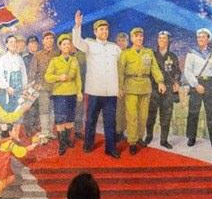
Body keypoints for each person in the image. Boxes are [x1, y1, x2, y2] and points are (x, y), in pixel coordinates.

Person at [72, 11, 122, 159]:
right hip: (94, 90)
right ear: (95, 32)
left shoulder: (114, 48)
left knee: (110, 121)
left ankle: (110, 148)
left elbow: (123, 64)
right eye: (101, 29)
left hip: (111, 91)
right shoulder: (89, 44)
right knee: (91, 119)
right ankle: (88, 144)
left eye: (106, 29)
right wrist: (78, 25)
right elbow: (77, 42)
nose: (104, 32)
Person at [118, 27, 165, 155]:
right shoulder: (126, 53)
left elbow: (154, 68)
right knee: (132, 116)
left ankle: (139, 137)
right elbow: (120, 72)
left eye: (141, 36)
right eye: (136, 36)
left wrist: (160, 82)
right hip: (131, 87)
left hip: (145, 86)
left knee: (143, 116)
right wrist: (120, 87)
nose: (139, 38)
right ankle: (132, 142)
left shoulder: (148, 52)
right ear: (132, 38)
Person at [183, 28, 212, 148]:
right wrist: (196, 84)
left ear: (208, 39)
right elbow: (187, 71)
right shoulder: (191, 53)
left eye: (203, 37)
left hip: (210, 83)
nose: (200, 39)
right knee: (193, 111)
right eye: (199, 37)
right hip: (196, 83)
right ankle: (191, 137)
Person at [0, 123, 39, 199]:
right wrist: (33, 145)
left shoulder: (5, 139)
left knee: (11, 178)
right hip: (2, 162)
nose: (15, 132)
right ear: (9, 132)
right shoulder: (9, 143)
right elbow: (21, 151)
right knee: (2, 183)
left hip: (1, 160)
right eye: (14, 130)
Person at [45, 33, 83, 155]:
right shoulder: (54, 60)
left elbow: (78, 78)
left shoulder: (74, 60)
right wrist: (58, 77)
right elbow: (47, 77)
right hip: (59, 94)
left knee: (70, 118)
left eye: (68, 44)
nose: (67, 46)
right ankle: (62, 144)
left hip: (72, 92)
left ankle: (67, 139)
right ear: (60, 46)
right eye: (64, 44)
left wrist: (79, 92)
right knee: (61, 119)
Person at [145, 30, 181, 148]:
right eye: (160, 38)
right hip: (153, 89)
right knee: (150, 114)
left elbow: (177, 72)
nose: (162, 40)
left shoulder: (173, 56)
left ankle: (164, 140)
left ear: (168, 41)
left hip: (168, 89)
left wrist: (176, 82)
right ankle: (149, 136)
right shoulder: (152, 55)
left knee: (166, 115)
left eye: (164, 38)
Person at [33, 31, 60, 136]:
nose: (49, 40)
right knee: (44, 109)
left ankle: (51, 132)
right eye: (47, 38)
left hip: (55, 87)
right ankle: (45, 131)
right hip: (43, 87)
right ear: (43, 41)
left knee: (53, 109)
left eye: (51, 38)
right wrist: (36, 84)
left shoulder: (58, 53)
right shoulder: (38, 55)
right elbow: (33, 71)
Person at [0, 34, 28, 112]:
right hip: (7, 90)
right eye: (11, 42)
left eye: (15, 42)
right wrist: (7, 87)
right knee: (8, 111)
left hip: (19, 90)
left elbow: (23, 74)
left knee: (19, 110)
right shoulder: (3, 59)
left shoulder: (19, 58)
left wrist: (24, 87)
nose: (13, 44)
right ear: (6, 45)